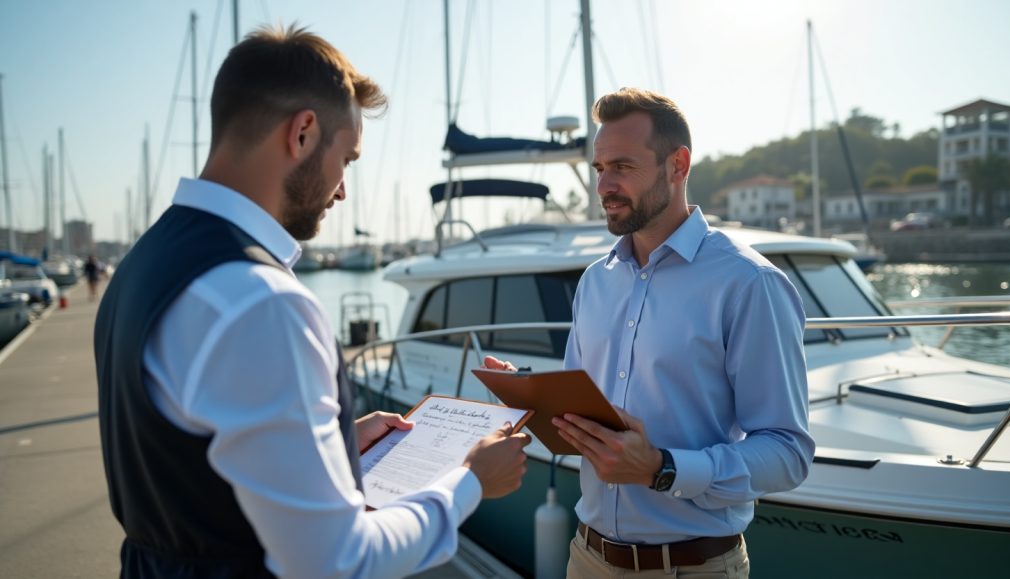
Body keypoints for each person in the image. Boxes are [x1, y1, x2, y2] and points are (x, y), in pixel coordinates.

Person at [94, 25, 530, 579]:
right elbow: (339, 561)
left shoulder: (143, 266)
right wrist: (470, 480)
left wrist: (336, 446)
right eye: (346, 158)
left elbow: (185, 461)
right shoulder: (259, 301)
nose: (343, 190)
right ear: (302, 133)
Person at [485, 88, 814, 578]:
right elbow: (588, 415)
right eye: (599, 169)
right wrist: (531, 397)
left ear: (677, 165)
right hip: (587, 557)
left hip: (692, 568)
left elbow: (788, 452)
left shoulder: (749, 283)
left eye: (623, 166)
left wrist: (663, 467)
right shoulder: (596, 280)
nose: (604, 185)